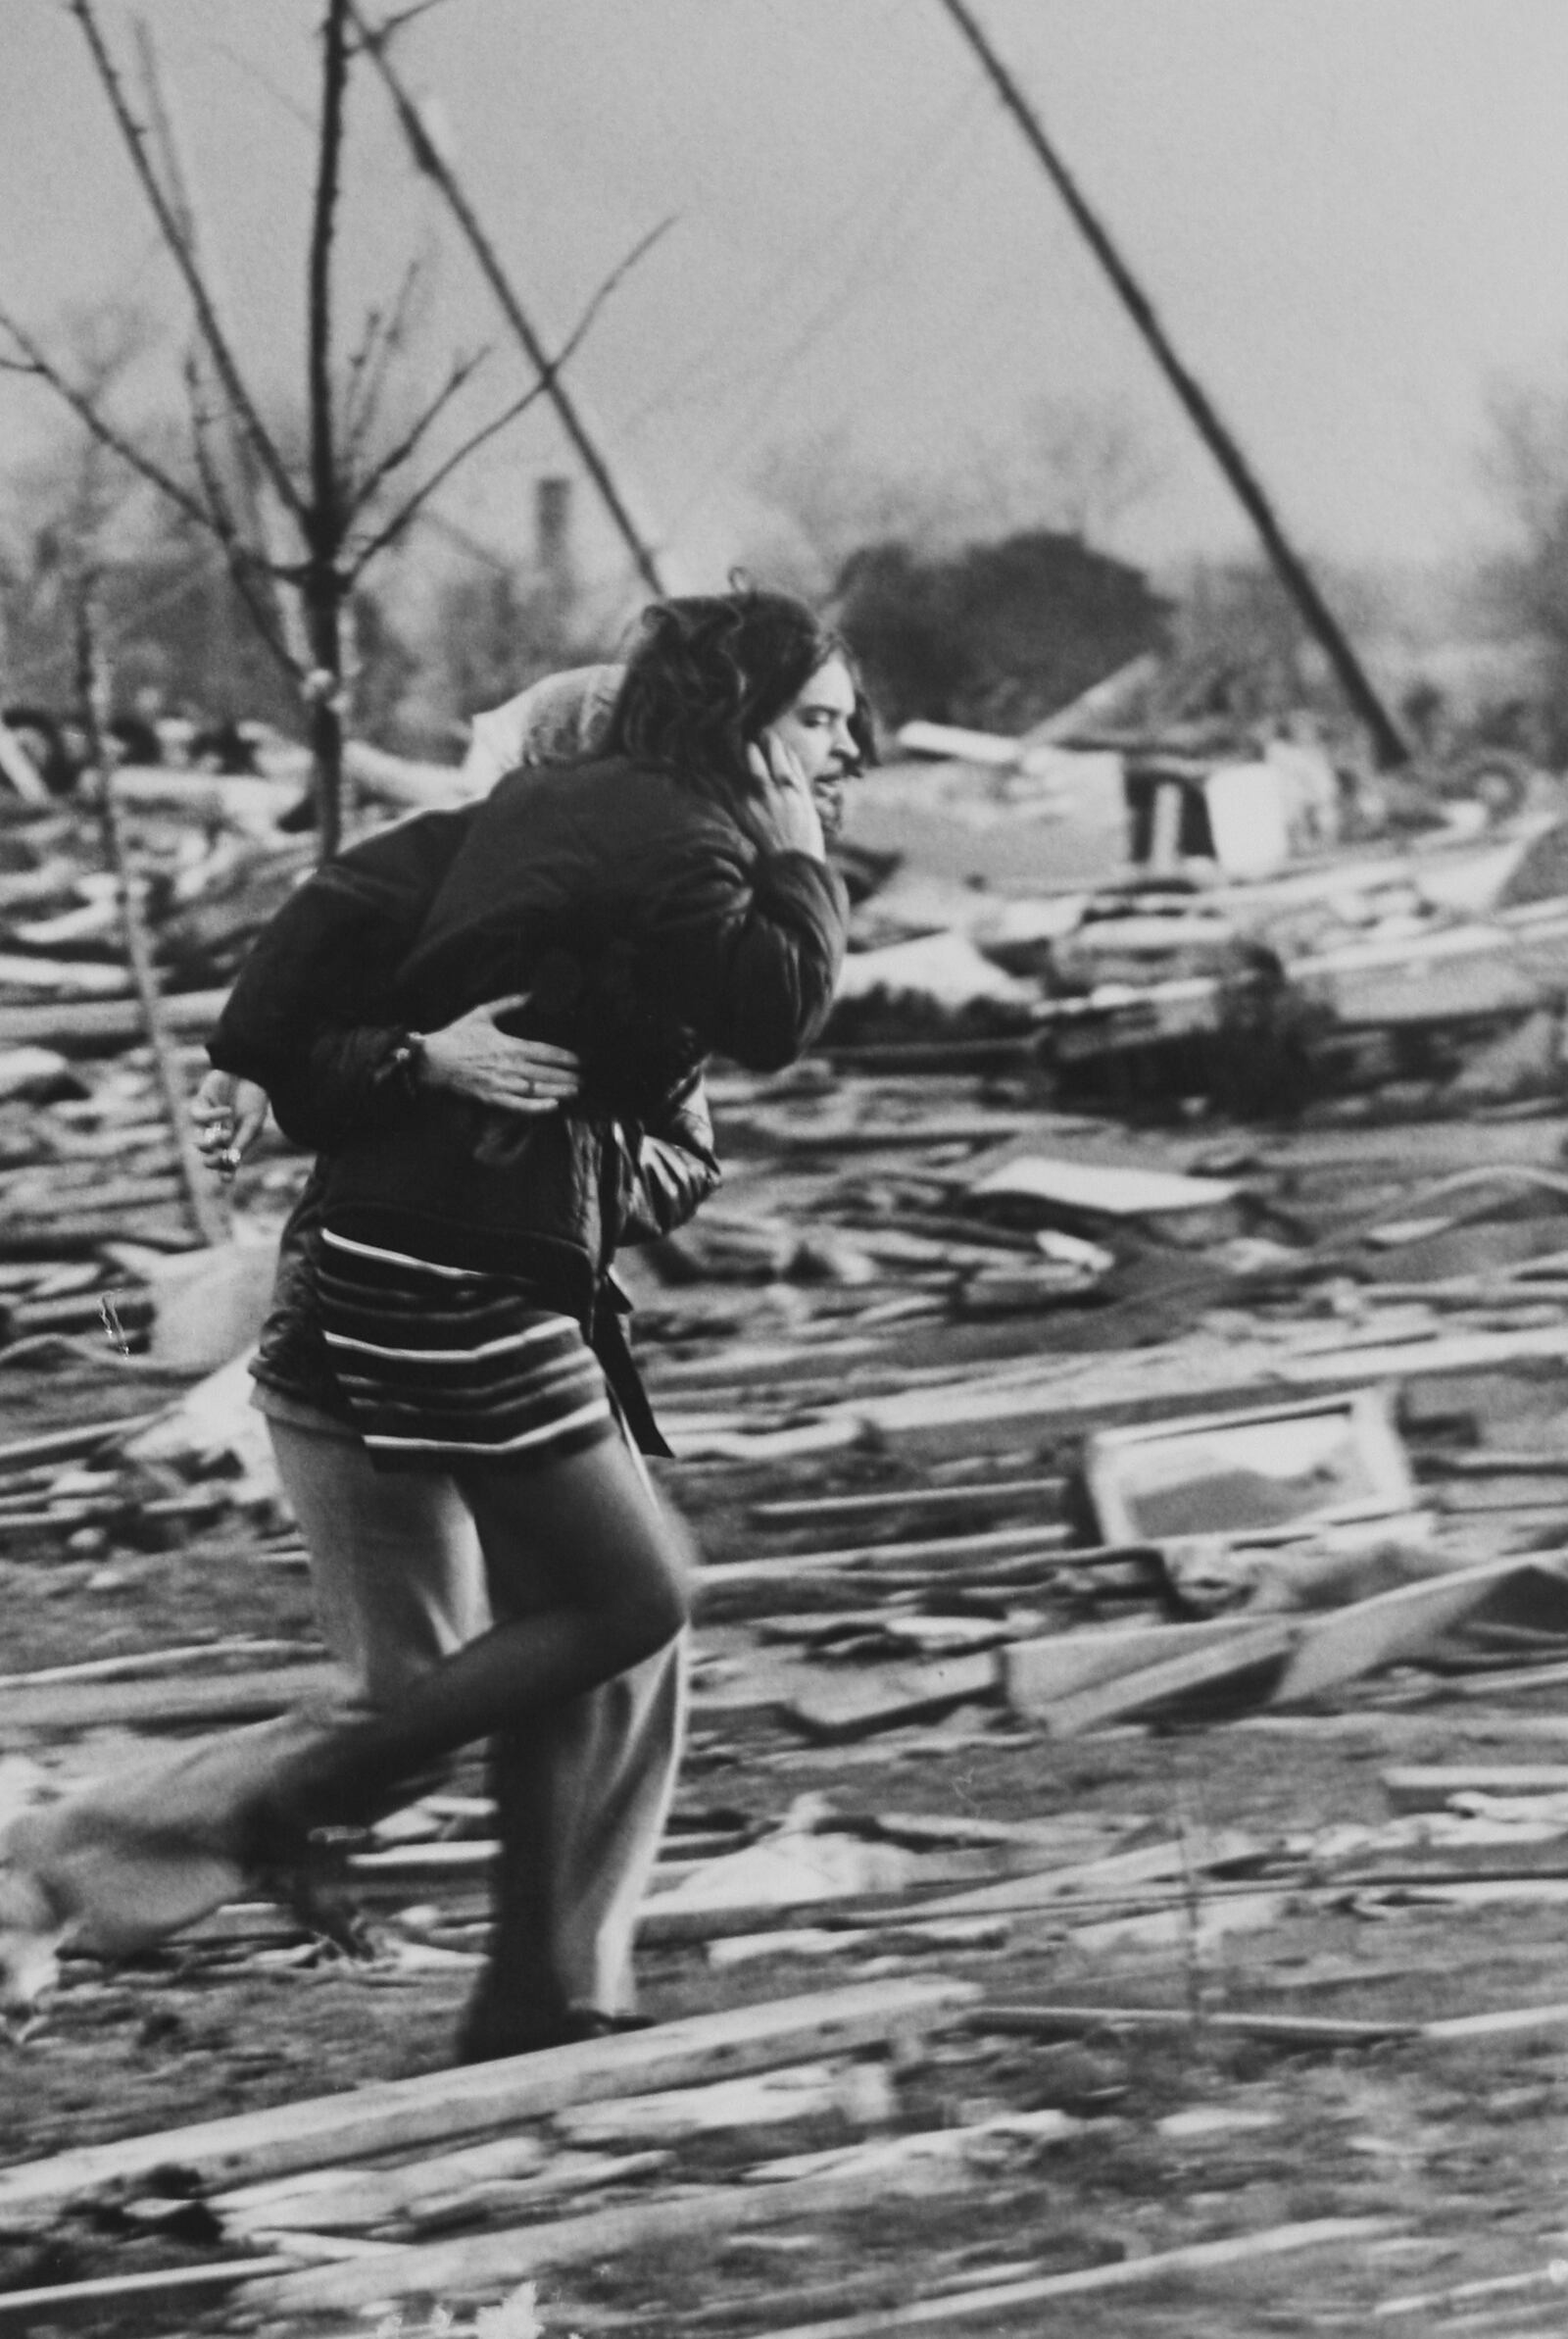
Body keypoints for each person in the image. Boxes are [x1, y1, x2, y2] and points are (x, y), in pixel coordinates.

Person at [3, 596, 862, 2062]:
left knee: (603, 1644)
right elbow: (286, 1048)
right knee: (564, 1639)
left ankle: (545, 1991)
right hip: (384, 1315)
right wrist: (418, 1058)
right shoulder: (522, 861)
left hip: (478, 1293)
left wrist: (583, 1116)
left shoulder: (641, 929)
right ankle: (85, 1853)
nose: (841, 762)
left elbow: (672, 1152)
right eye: (819, 729)